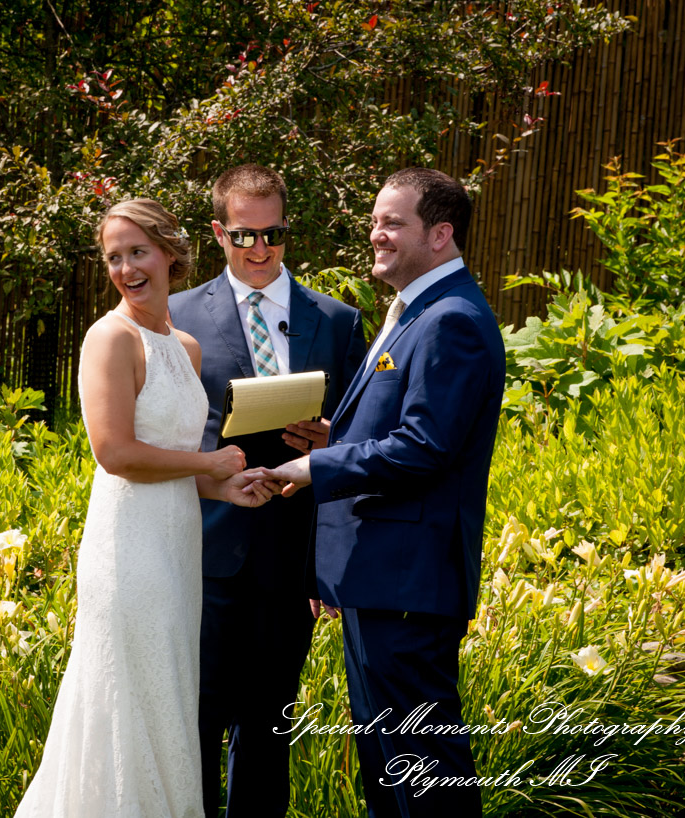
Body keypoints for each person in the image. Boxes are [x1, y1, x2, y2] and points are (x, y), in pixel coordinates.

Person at [14, 198, 277, 818]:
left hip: (177, 544)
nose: (127, 268)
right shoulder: (109, 337)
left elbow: (176, 460)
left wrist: (223, 487)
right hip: (127, 548)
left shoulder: (184, 347)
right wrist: (208, 464)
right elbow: (116, 453)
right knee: (126, 694)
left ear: (169, 253)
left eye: (138, 252)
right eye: (114, 257)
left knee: (168, 695)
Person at [265, 168, 506, 817]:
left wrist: (318, 468)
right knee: (390, 776)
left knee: (423, 774)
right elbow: (397, 431)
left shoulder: (450, 319)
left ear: (441, 233)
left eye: (393, 222)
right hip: (380, 581)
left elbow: (425, 447)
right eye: (376, 220)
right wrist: (334, 439)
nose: (377, 233)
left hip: (408, 587)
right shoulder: (416, 311)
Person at [168, 164, 366, 817]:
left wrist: (328, 440)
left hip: (290, 555)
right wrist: (212, 466)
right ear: (218, 232)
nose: (259, 250)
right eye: (243, 236)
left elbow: (364, 441)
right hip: (200, 549)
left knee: (268, 728)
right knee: (192, 721)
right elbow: (158, 427)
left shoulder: (337, 322)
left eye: (272, 234)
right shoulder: (174, 316)